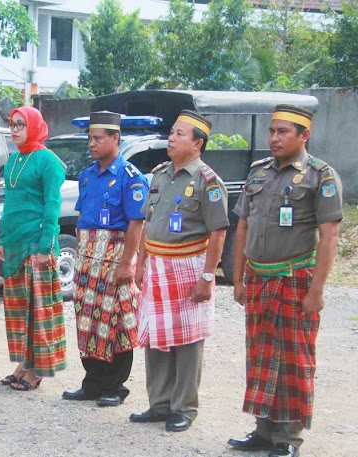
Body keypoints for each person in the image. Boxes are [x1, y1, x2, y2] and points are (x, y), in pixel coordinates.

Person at [228, 105, 343, 457]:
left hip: (295, 278)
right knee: (260, 356)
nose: (274, 138)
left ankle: (288, 439)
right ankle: (263, 430)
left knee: (293, 358)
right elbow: (243, 227)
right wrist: (238, 279)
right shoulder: (258, 172)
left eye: (283, 132)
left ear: (304, 135)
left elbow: (330, 236)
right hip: (259, 279)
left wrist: (317, 290)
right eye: (272, 131)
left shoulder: (320, 176)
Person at [132, 110, 229, 432]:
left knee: (188, 341)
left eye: (179, 134)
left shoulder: (207, 181)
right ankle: (158, 404)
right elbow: (148, 223)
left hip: (189, 267)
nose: (171, 138)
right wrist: (141, 262)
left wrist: (207, 276)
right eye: (171, 132)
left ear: (198, 143)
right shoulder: (159, 174)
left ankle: (184, 408)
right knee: (156, 337)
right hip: (158, 264)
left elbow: (218, 232)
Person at [62, 111, 147, 407]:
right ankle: (92, 382)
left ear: (115, 139)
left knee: (116, 321)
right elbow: (82, 219)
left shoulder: (130, 177)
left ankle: (115, 385)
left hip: (114, 257)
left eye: (98, 138)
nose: (92, 144)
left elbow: (137, 223)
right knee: (87, 320)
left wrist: (127, 263)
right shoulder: (87, 175)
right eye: (90, 139)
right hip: (87, 258)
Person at [0, 106, 67, 391]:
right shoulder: (13, 159)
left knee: (40, 311)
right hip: (13, 244)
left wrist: (45, 246)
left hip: (37, 245)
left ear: (35, 127)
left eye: (21, 125)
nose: (15, 130)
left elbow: (53, 205)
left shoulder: (48, 161)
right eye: (12, 125)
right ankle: (24, 363)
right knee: (19, 311)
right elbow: (10, 204)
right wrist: (2, 241)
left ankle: (38, 369)